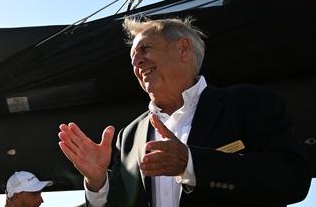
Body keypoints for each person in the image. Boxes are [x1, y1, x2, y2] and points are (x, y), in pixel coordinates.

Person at [58, 17, 311, 207]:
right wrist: (98, 183)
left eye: (144, 50)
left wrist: (191, 164)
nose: (136, 63)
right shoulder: (130, 135)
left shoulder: (249, 103)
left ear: (183, 49)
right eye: (133, 58)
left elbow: (293, 180)